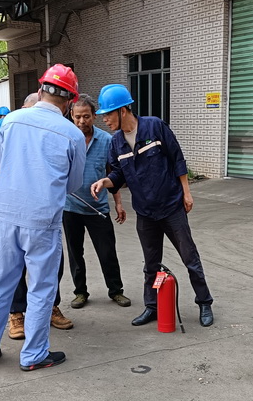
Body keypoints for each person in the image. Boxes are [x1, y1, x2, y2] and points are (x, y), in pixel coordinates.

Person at [0, 64, 85, 371]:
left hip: (6, 213)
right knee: (41, 287)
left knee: (1, 281)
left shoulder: (10, 121)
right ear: (70, 101)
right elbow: (73, 183)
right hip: (42, 218)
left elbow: (1, 162)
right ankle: (34, 354)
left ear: (40, 91)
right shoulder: (72, 135)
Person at [91, 84, 214, 328]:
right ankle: (152, 306)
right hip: (145, 212)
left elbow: (177, 158)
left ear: (123, 110)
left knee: (190, 257)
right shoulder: (116, 143)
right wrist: (105, 182)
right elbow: (118, 174)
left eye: (108, 114)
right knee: (150, 264)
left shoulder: (154, 126)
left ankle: (204, 302)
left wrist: (186, 193)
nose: (104, 119)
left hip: (171, 206)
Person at [0, 92, 74, 336]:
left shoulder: (54, 129)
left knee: (51, 268)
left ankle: (51, 307)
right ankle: (17, 315)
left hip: (40, 211)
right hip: (14, 208)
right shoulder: (8, 123)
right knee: (10, 272)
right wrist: (26, 176)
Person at [64, 93, 131, 309]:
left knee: (107, 251)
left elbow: (113, 174)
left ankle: (116, 290)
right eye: (77, 117)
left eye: (86, 116)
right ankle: (80, 292)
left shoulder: (107, 141)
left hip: (97, 208)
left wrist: (118, 203)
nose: (81, 121)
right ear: (71, 116)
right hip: (70, 207)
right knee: (75, 253)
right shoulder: (65, 139)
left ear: (94, 116)